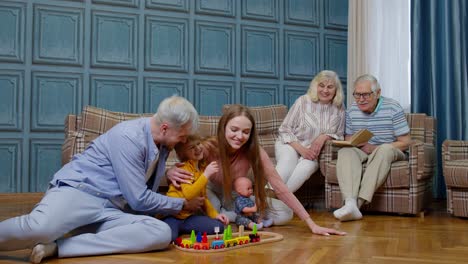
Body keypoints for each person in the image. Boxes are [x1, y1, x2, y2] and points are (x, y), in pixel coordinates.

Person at [0, 96, 204, 263]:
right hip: (80, 192)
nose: (185, 141)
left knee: (159, 233)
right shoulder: (130, 137)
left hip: (110, 209)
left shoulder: (162, 145)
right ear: (165, 128)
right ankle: (50, 234)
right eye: (183, 135)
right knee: (39, 229)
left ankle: (57, 248)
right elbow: (139, 199)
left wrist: (168, 173)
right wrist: (182, 203)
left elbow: (137, 180)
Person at [167, 104, 346, 236]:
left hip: (236, 195)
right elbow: (183, 161)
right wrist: (170, 172)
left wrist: (311, 224)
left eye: (246, 131)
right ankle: (230, 215)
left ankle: (231, 215)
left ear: (251, 133)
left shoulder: (254, 151)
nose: (239, 136)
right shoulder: (209, 146)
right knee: (209, 209)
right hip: (210, 191)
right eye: (234, 130)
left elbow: (279, 186)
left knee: (285, 214)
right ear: (224, 128)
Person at [333, 74, 411, 222]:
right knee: (345, 151)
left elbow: (406, 142)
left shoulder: (393, 107)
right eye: (357, 95)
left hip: (391, 151)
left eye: (366, 95)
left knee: (384, 149)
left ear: (378, 93)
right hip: (363, 150)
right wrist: (355, 142)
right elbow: (349, 138)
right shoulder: (352, 111)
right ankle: (350, 203)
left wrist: (375, 147)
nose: (360, 99)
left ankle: (357, 205)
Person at [275, 70, 345, 193]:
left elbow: (339, 136)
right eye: (321, 85)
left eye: (330, 87)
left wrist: (324, 136)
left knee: (306, 168)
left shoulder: (339, 107)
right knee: (288, 160)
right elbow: (284, 129)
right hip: (290, 144)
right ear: (315, 86)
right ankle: (266, 195)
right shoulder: (303, 101)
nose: (325, 90)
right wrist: (302, 150)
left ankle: (278, 198)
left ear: (336, 90)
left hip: (313, 154)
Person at [163, 134, 229, 241]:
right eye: (192, 147)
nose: (198, 148)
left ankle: (183, 228)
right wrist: (206, 175)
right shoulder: (184, 168)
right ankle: (169, 226)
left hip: (188, 218)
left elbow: (203, 198)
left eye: (198, 144)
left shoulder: (200, 168)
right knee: (169, 236)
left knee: (218, 227)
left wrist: (215, 215)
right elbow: (189, 194)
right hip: (173, 216)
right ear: (182, 154)